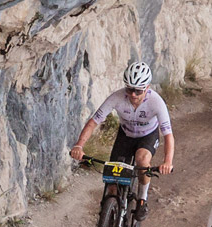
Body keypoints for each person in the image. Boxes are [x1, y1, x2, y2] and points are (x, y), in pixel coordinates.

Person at [70, 63, 176, 199]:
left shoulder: (156, 102)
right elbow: (93, 122)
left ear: (147, 88)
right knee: (112, 180)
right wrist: (79, 146)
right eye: (129, 89)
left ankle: (142, 197)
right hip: (126, 135)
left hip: (147, 135)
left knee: (142, 160)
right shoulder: (117, 97)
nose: (133, 94)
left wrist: (168, 161)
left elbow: (168, 135)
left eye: (138, 91)